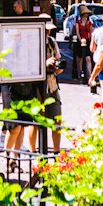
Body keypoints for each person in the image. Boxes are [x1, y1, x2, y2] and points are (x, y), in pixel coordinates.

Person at [43, 22, 63, 151]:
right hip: (38, 87)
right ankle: (37, 154)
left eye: (49, 30)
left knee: (57, 120)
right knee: (37, 123)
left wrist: (57, 67)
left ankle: (56, 153)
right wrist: (45, 64)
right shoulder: (33, 41)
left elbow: (58, 58)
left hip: (52, 85)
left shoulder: (51, 41)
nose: (48, 33)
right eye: (46, 30)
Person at [71, 7, 92, 81]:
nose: (86, 14)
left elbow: (91, 33)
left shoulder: (89, 23)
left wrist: (90, 41)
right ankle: (80, 74)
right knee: (79, 59)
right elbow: (77, 32)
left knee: (88, 58)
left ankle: (89, 75)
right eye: (85, 13)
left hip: (87, 41)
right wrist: (80, 41)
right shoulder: (78, 23)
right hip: (79, 42)